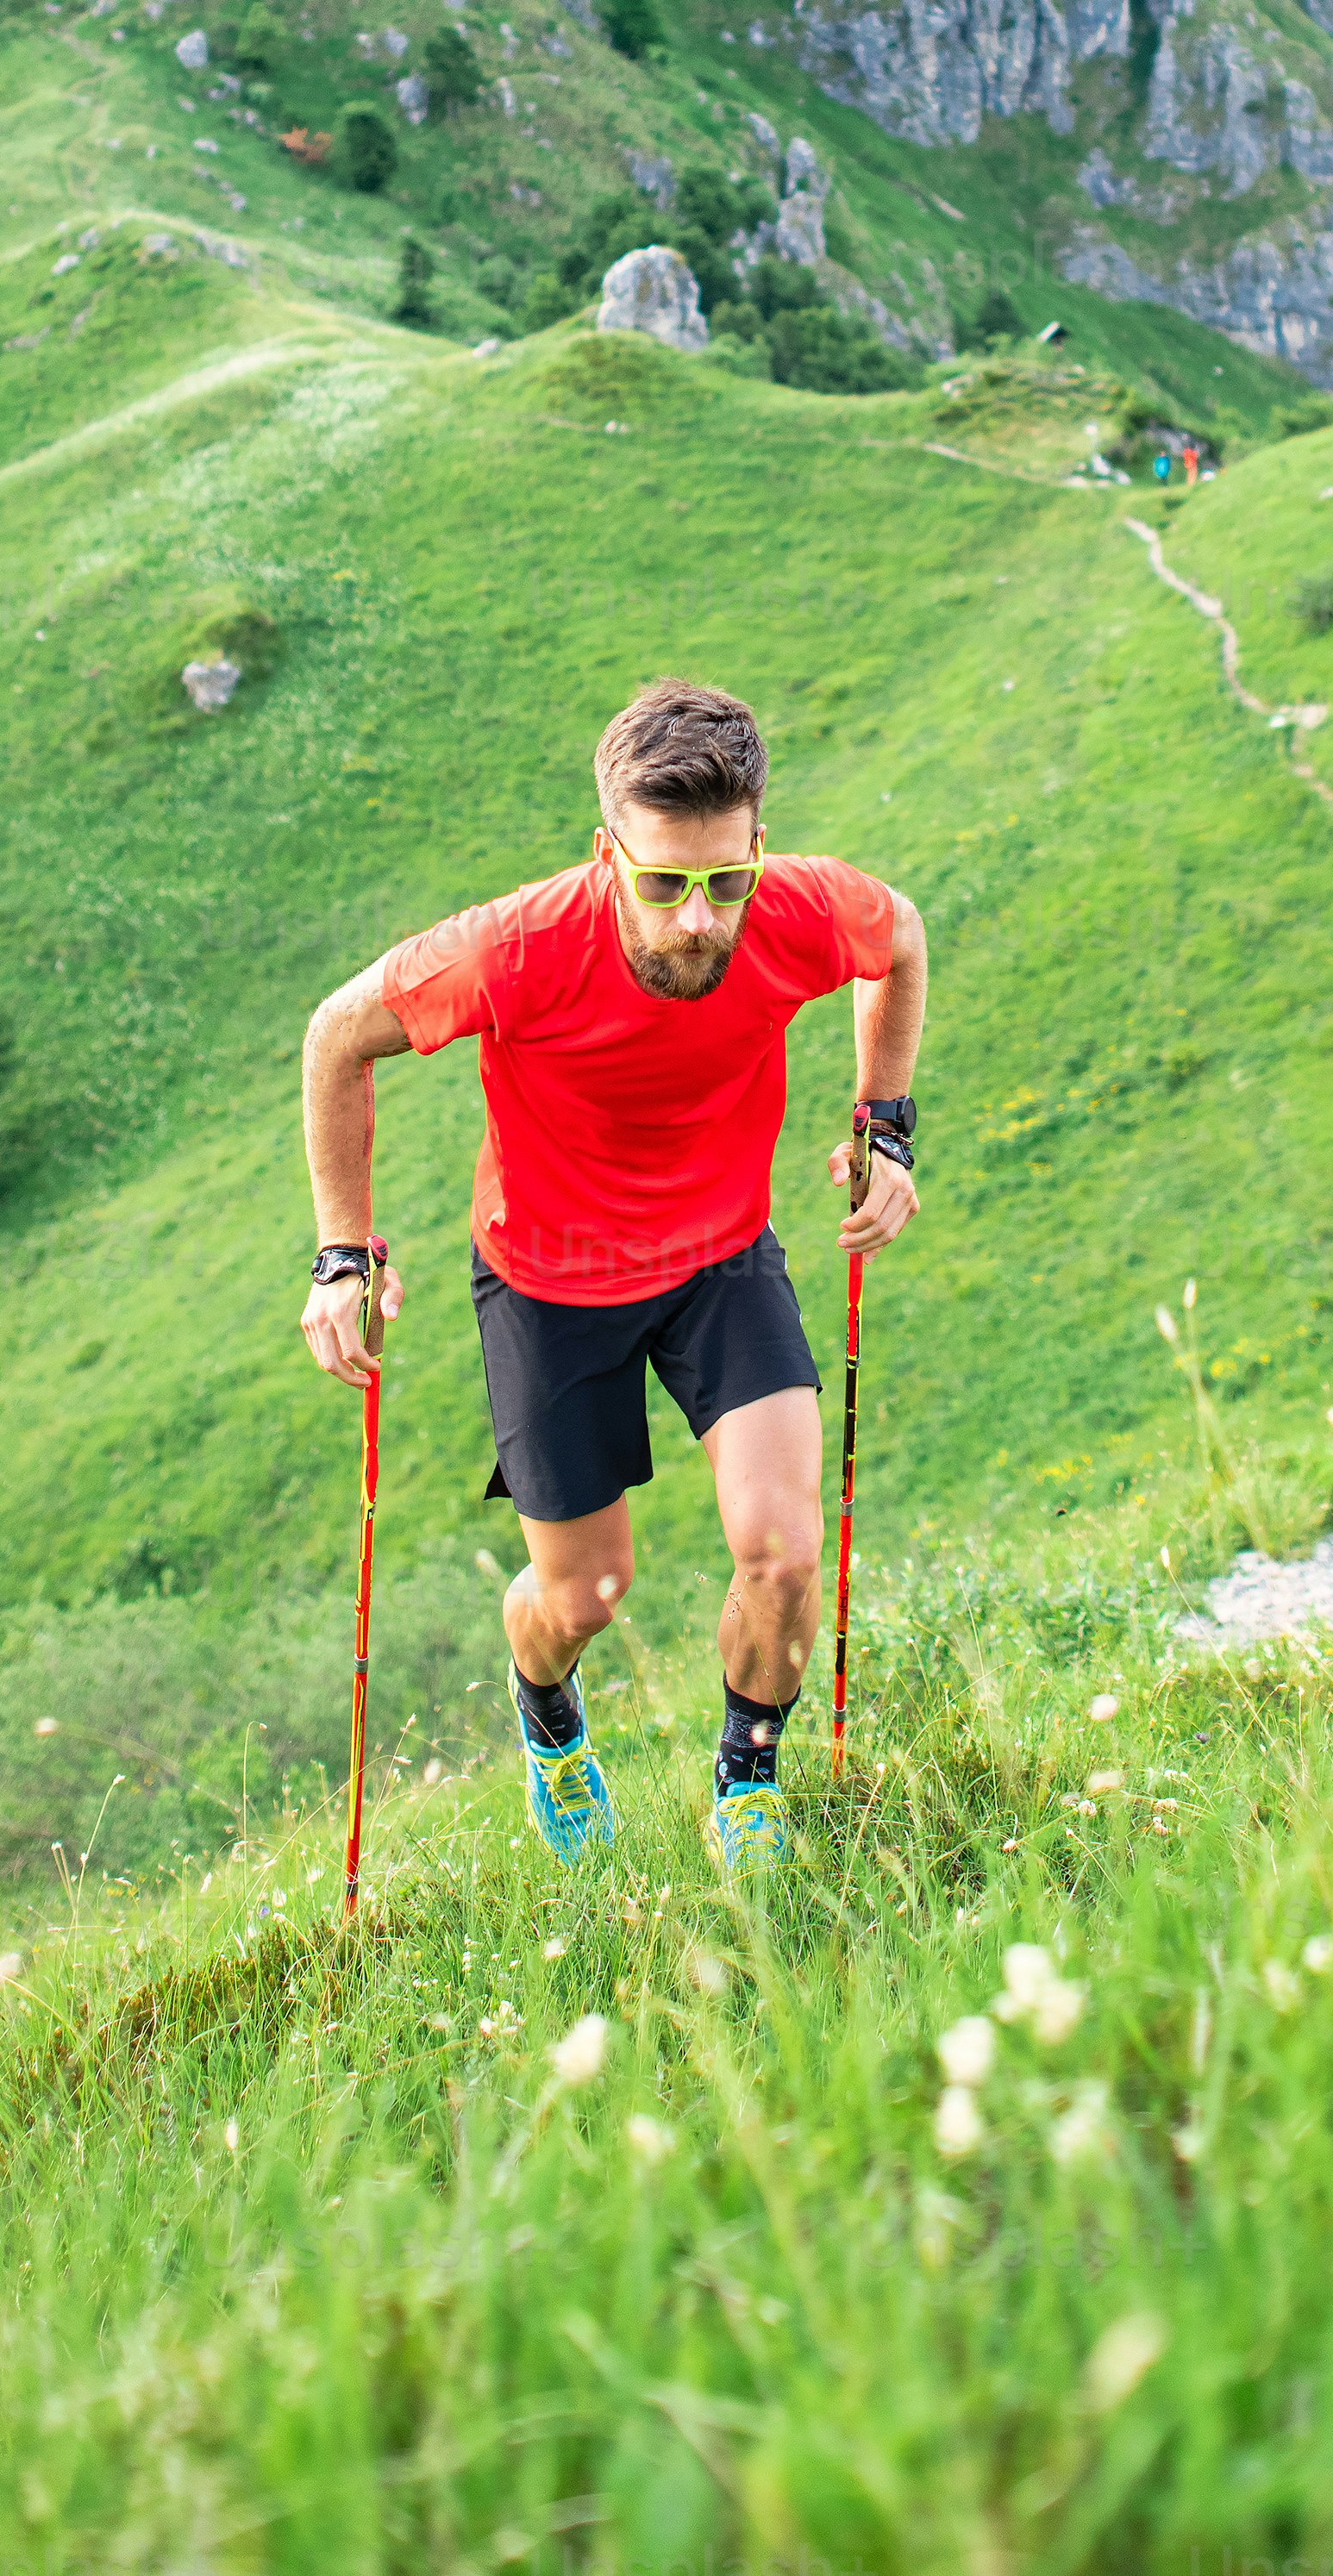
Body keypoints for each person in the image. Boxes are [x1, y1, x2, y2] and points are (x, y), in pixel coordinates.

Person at [298, 678, 926, 1881]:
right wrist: (342, 1253)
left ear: (760, 844)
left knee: (786, 1556)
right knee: (584, 1593)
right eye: (663, 883)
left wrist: (886, 1125)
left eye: (726, 882)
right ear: (608, 856)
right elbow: (338, 1034)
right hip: (549, 1281)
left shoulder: (794, 909)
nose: (697, 921)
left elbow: (897, 938)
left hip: (723, 1258)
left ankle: (748, 1780)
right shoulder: (514, 947)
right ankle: (545, 1709)